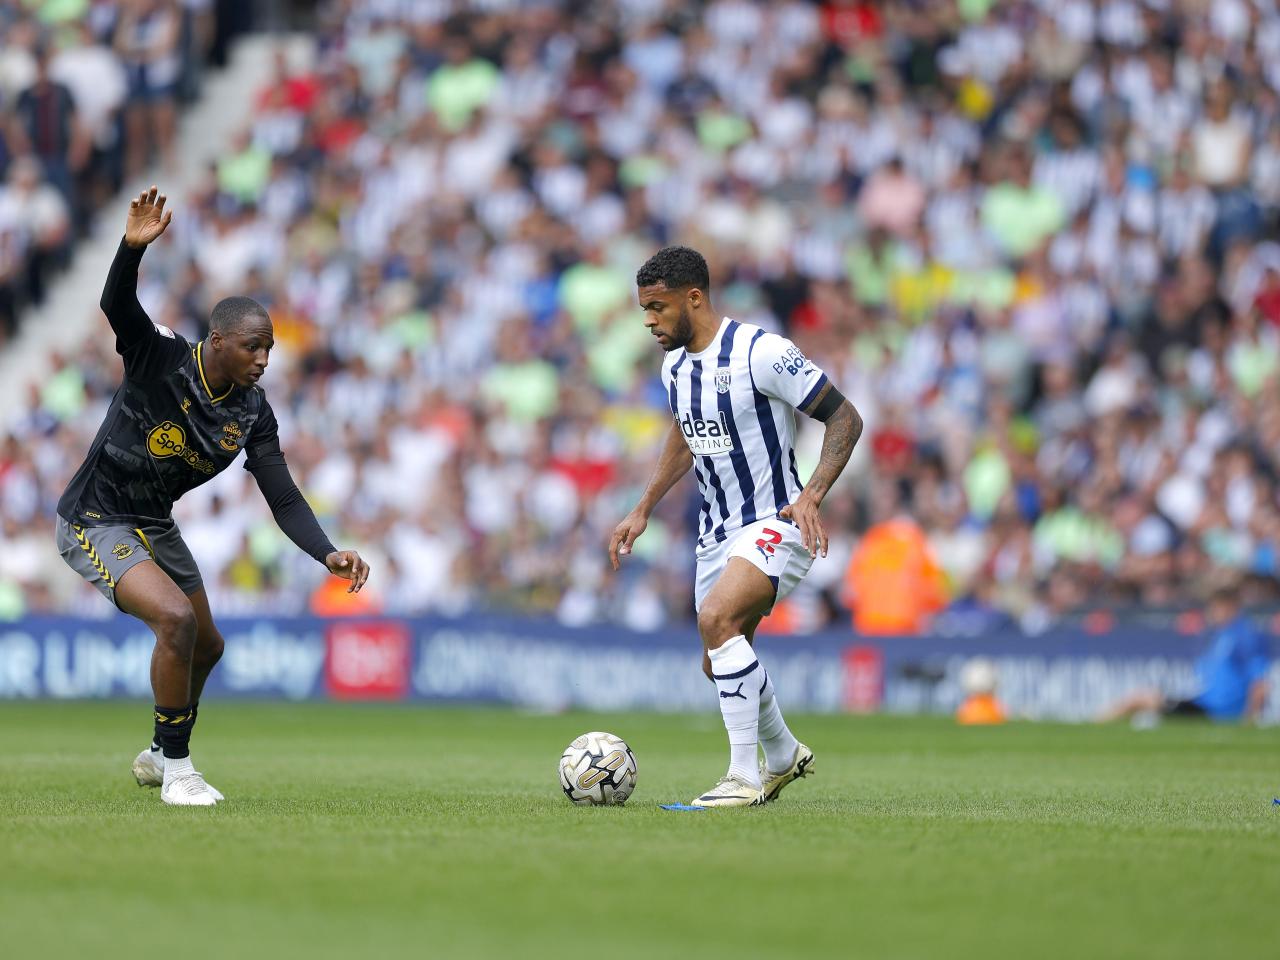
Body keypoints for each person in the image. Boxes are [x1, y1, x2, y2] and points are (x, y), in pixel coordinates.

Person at [55, 187, 370, 806]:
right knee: (173, 621)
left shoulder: (254, 412)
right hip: (97, 517)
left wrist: (326, 553)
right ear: (218, 340)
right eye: (253, 346)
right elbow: (116, 303)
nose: (263, 359)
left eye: (270, 349)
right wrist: (131, 250)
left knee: (209, 643)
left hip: (154, 523)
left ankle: (156, 750)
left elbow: (281, 495)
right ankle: (178, 770)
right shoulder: (160, 357)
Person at [609, 246, 863, 807]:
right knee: (717, 659)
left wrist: (812, 493)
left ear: (693, 298)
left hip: (777, 520)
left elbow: (844, 416)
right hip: (716, 534)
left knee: (716, 618)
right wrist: (643, 506)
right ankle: (784, 754)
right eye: (644, 309)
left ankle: (743, 779)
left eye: (657, 307)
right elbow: (684, 430)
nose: (648, 321)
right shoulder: (674, 365)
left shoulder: (762, 352)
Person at [1098, 585, 1271, 725]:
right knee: (1145, 702)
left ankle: (1096, 725)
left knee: (1142, 698)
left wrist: (1250, 718)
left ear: (1227, 607)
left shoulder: (1245, 635)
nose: (1211, 613)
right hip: (1206, 704)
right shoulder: (1222, 635)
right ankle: (1098, 724)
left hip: (1217, 711)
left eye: (1214, 608)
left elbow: (1260, 682)